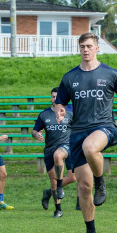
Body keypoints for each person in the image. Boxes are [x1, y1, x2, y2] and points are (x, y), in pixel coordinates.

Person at [55, 32, 117, 233]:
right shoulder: (70, 77)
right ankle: (91, 232)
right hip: (77, 131)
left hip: (104, 126)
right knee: (83, 187)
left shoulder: (110, 74)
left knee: (91, 147)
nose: (86, 50)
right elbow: (60, 102)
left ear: (98, 48)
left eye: (89, 46)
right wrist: (60, 110)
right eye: (82, 46)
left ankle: (101, 181)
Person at [32, 87, 77, 218]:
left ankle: (58, 188)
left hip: (67, 146)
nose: (55, 99)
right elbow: (34, 130)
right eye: (53, 97)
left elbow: (79, 127)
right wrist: (36, 135)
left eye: (57, 97)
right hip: (49, 148)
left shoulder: (70, 112)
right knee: (53, 180)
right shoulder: (44, 114)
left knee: (72, 177)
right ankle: (58, 208)